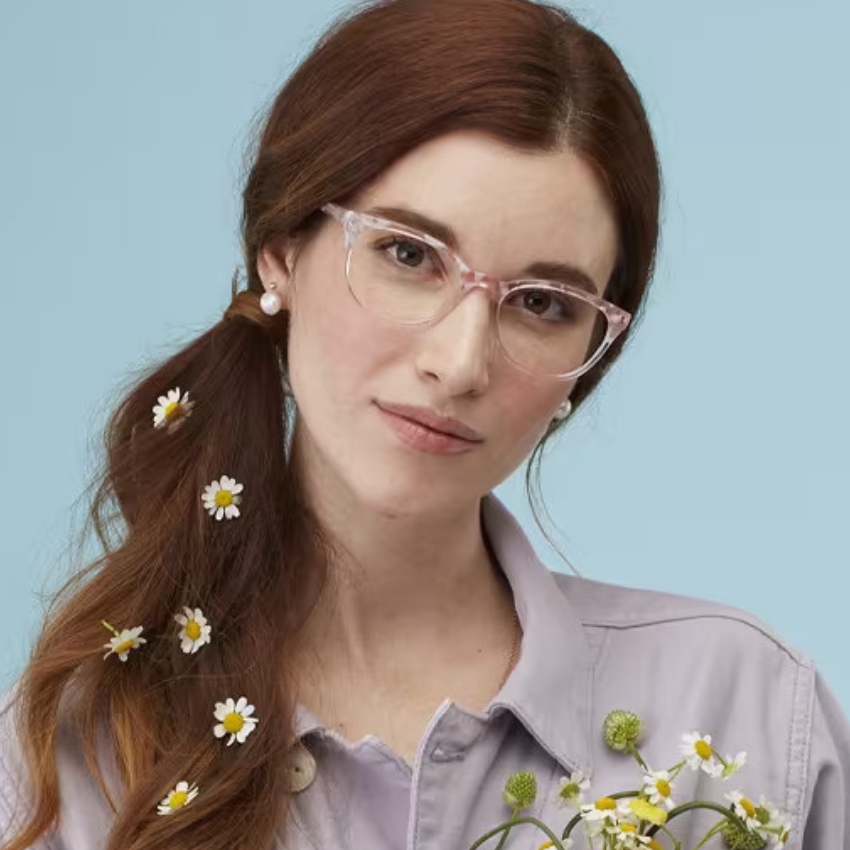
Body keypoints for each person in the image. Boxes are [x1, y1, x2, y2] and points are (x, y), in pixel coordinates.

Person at [1, 0, 848, 848]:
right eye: (408, 254)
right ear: (281, 251)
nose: (461, 362)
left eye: (543, 304)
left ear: (590, 354)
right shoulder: (64, 757)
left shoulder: (748, 717)